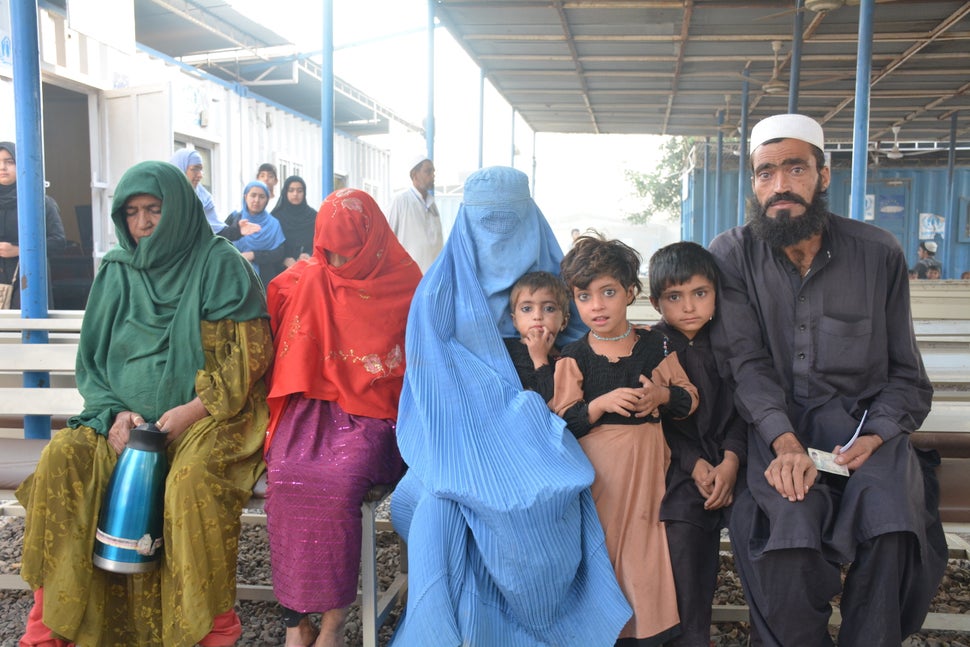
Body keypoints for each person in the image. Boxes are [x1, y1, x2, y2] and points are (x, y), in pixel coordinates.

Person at [708, 113, 947, 646]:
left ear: (824, 174)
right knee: (782, 530)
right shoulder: (733, 255)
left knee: (893, 526)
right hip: (776, 429)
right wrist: (785, 442)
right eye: (765, 173)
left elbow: (908, 376)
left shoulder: (877, 251)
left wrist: (876, 435)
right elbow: (745, 365)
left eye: (795, 168)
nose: (780, 186)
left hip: (863, 428)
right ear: (753, 181)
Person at [16, 160, 272, 646]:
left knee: (190, 482)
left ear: (177, 208)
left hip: (209, 415)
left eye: (154, 209)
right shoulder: (116, 269)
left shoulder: (220, 263)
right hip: (120, 417)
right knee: (62, 462)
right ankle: (50, 628)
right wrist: (115, 414)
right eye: (131, 212)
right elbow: (92, 360)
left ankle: (209, 632)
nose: (143, 223)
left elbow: (248, 357)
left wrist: (190, 412)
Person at [390, 166, 632, 647]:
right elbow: (432, 386)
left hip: (550, 435)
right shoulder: (439, 292)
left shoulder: (560, 287)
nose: (498, 242)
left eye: (510, 225)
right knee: (438, 510)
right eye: (486, 225)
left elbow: (591, 358)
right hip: (455, 438)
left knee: (543, 507)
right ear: (466, 222)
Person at [264, 188, 421, 647]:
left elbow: (419, 365)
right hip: (311, 407)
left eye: (348, 251)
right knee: (286, 475)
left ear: (371, 241)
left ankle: (333, 623)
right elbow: (274, 315)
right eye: (328, 249)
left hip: (376, 415)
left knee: (339, 483)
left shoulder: (407, 282)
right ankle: (296, 622)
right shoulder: (309, 276)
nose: (337, 260)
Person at [552, 233, 698, 646]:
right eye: (584, 296)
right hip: (601, 479)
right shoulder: (574, 358)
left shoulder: (656, 345)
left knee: (645, 551)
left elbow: (689, 399)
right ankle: (601, 631)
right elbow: (562, 420)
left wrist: (661, 395)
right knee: (604, 551)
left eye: (608, 292)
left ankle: (647, 632)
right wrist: (600, 404)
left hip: (648, 475)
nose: (596, 306)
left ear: (631, 292)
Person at [648, 241, 746, 647]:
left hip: (739, 462)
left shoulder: (735, 343)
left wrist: (731, 460)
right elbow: (658, 426)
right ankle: (690, 637)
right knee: (683, 535)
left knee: (761, 528)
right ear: (656, 303)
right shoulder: (651, 349)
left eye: (700, 294)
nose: (689, 307)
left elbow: (747, 409)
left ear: (716, 294)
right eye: (675, 297)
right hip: (680, 466)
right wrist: (695, 464)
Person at [0, 141, 67, 308]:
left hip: (28, 278)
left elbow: (58, 241)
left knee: (26, 328)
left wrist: (18, 249)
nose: (3, 167)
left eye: (10, 162)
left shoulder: (39, 202)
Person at [504, 270, 570, 400]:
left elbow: (553, 402)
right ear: (515, 321)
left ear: (564, 321)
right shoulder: (505, 350)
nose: (537, 316)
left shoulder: (567, 358)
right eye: (527, 309)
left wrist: (540, 359)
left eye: (549, 308)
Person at [386, 155, 443, 273]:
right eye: (428, 171)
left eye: (433, 171)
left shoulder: (432, 204)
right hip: (409, 276)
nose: (433, 175)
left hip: (433, 275)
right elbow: (387, 238)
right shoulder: (401, 201)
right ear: (414, 175)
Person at [228, 180, 286, 286]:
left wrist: (254, 255)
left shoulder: (273, 224)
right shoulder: (234, 219)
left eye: (262, 197)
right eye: (253, 195)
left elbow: (279, 253)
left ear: (267, 200)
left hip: (264, 280)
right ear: (246, 197)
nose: (256, 200)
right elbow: (222, 243)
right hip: (234, 277)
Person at [271, 176, 316, 269]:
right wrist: (283, 259)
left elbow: (320, 242)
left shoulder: (313, 216)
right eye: (291, 190)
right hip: (281, 270)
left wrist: (309, 254)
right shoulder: (276, 217)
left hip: (307, 268)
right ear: (285, 192)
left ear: (304, 193)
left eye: (299, 191)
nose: (295, 194)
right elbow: (270, 246)